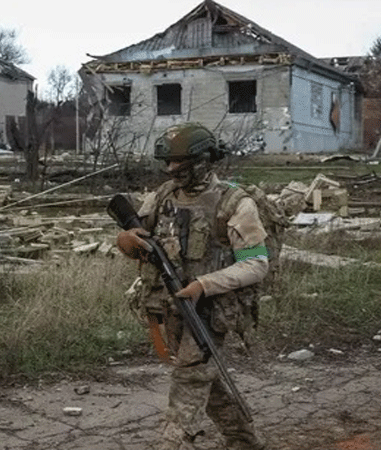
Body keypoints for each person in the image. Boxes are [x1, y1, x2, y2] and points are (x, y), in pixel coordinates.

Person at [115, 123, 269, 450]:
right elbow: (139, 240)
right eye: (167, 163)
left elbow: (257, 264)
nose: (171, 170)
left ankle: (174, 443)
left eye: (179, 163)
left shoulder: (234, 203)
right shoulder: (163, 196)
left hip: (210, 311)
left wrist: (204, 284)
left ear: (203, 160)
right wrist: (126, 240)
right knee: (206, 383)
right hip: (169, 308)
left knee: (188, 382)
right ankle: (245, 443)